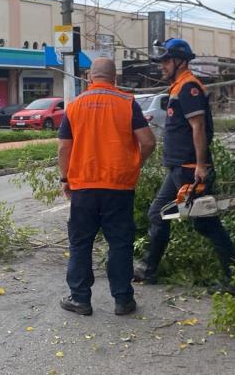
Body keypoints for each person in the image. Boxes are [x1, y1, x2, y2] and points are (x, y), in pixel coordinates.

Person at [134, 38, 235, 292]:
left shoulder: (189, 87)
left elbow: (198, 127)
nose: (162, 66)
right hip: (178, 169)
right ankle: (149, 270)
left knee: (206, 223)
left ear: (180, 61)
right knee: (157, 214)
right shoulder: (178, 87)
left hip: (190, 169)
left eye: (166, 61)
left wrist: (201, 166)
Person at [57, 57, 156, 316]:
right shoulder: (127, 103)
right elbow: (148, 142)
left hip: (83, 187)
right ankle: (123, 300)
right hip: (118, 186)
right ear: (115, 78)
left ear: (90, 77)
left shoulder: (75, 105)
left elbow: (63, 147)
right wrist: (134, 165)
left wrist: (65, 179)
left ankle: (80, 299)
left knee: (80, 243)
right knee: (120, 243)